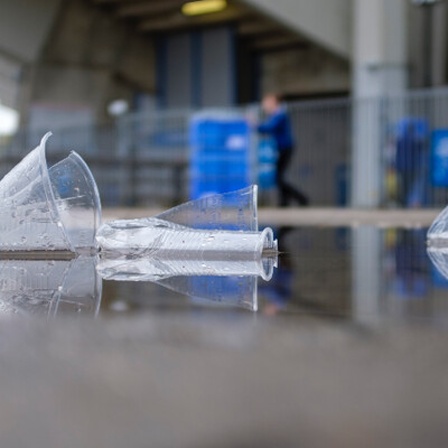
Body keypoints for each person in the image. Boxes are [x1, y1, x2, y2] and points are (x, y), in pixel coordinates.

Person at [257, 93, 309, 206]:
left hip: (285, 148)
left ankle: (301, 198)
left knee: (278, 178)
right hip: (281, 148)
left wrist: (254, 124)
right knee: (279, 177)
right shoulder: (276, 114)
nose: (265, 106)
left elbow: (268, 127)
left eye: (267, 103)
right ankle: (285, 202)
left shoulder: (280, 114)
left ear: (274, 102)